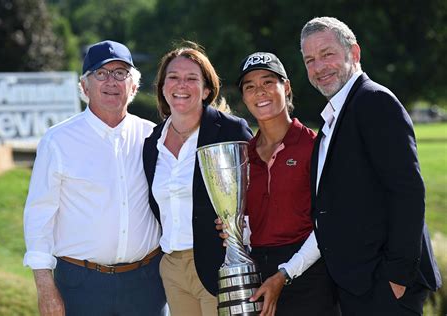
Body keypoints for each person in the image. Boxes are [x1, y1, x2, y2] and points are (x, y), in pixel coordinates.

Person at [300, 17, 442, 315]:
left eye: (327, 54)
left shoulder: (375, 102)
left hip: (384, 286)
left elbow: (407, 193)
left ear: (354, 53)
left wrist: (397, 277)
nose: (318, 67)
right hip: (358, 284)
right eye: (310, 60)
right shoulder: (336, 115)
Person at [23, 40, 167, 316]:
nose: (111, 81)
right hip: (81, 285)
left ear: (134, 86)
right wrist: (44, 286)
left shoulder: (154, 137)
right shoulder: (58, 140)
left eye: (120, 73)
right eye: (100, 74)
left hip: (147, 284)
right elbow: (39, 215)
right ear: (84, 87)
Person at [217, 52, 340, 316]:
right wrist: (234, 227)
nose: (259, 92)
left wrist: (284, 274)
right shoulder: (243, 156)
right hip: (259, 277)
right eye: (250, 86)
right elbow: (253, 223)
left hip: (310, 276)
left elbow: (328, 225)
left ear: (286, 87)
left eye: (267, 82)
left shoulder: (314, 146)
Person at [142, 42, 253, 316]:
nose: (182, 85)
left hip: (221, 264)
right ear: (163, 87)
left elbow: (257, 188)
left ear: (206, 89)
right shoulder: (151, 142)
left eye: (192, 78)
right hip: (172, 268)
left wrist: (243, 228)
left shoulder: (229, 130)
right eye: (173, 78)